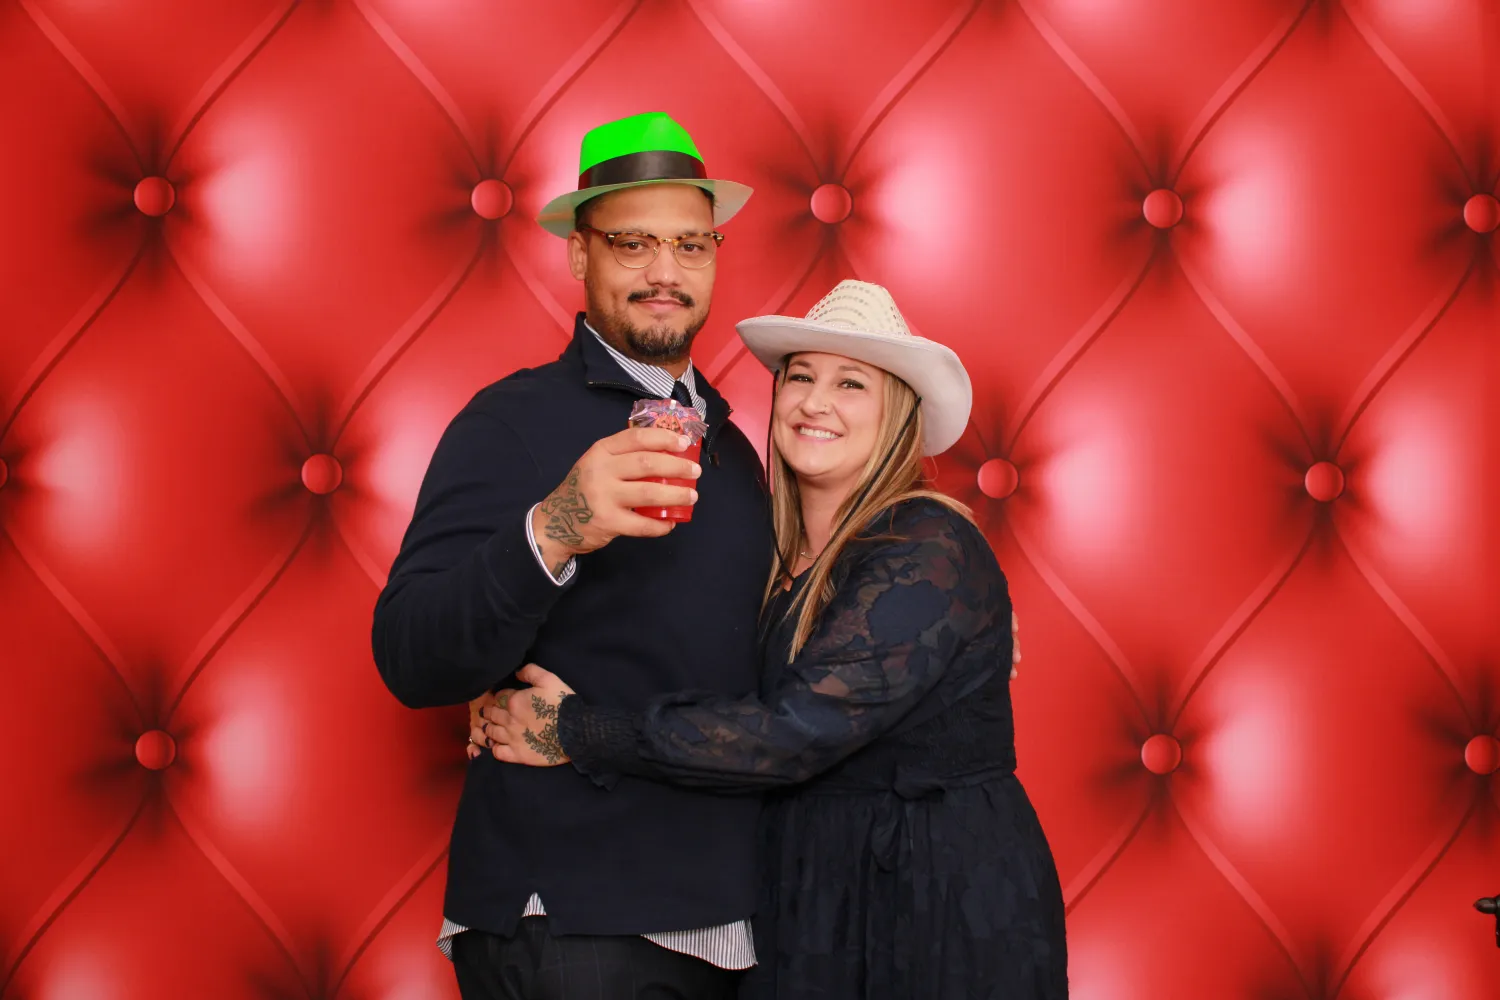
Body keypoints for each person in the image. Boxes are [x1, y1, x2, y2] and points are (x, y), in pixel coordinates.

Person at [474, 279, 1070, 999]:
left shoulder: (927, 545)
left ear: (897, 417)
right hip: (805, 887)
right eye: (801, 376)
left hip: (931, 894)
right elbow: (678, 658)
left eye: (851, 383)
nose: (817, 401)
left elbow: (790, 734)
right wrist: (513, 697)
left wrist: (578, 728)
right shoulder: (766, 545)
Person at [371, 111, 773, 999]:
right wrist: (555, 526)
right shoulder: (512, 422)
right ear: (578, 256)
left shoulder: (739, 451)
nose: (666, 274)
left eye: (692, 246)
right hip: (576, 924)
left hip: (730, 922)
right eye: (633, 244)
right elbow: (409, 653)